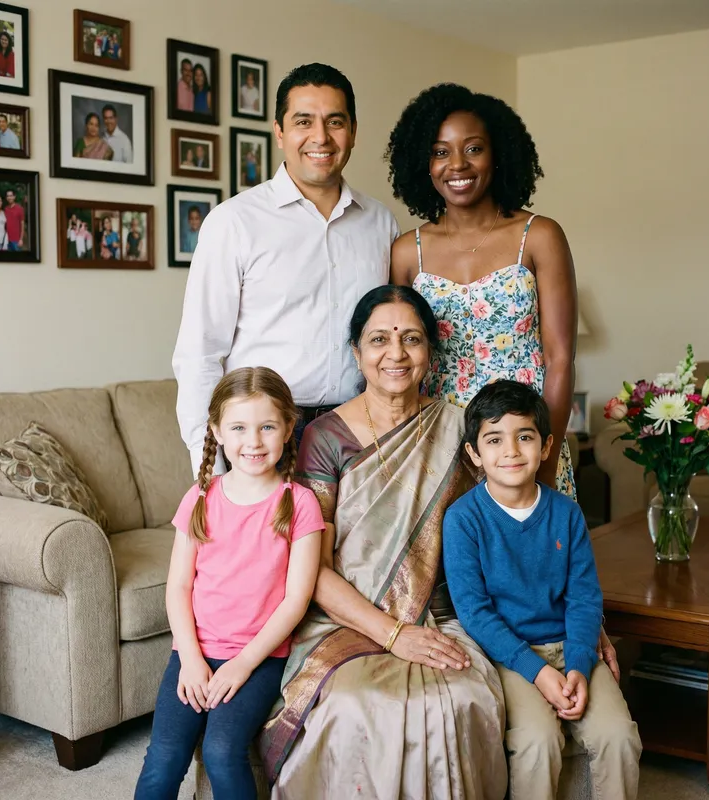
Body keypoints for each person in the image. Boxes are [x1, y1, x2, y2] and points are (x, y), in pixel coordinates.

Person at [259, 285, 508, 798]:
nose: (396, 353)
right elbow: (310, 570)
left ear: (430, 352)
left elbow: (502, 530)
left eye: (411, 338)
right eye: (379, 339)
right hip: (343, 618)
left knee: (463, 697)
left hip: (440, 614)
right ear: (357, 352)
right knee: (357, 704)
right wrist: (394, 634)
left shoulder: (459, 428)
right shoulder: (324, 437)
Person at [173, 62, 400, 476]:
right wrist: (211, 469)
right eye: (303, 121)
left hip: (360, 429)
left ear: (353, 131)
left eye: (335, 122)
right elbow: (199, 353)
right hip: (265, 433)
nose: (321, 137)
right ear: (279, 131)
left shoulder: (381, 223)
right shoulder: (234, 222)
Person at [443, 380, 641, 800]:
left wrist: (580, 666)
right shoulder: (462, 519)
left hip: (572, 647)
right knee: (537, 742)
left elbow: (584, 598)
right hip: (511, 656)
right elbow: (474, 612)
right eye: (494, 440)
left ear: (546, 446)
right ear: (474, 454)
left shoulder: (567, 514)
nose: (511, 451)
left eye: (524, 437)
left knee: (619, 735)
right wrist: (539, 673)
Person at [135, 366, 323, 799]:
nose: (253, 441)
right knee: (164, 757)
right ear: (217, 431)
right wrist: (190, 658)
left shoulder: (300, 504)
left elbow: (296, 599)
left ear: (288, 428)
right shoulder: (200, 497)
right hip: (193, 652)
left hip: (259, 658)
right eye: (239, 427)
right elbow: (178, 587)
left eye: (267, 427)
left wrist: (244, 663)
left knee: (221, 752)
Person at [388, 83, 578, 498]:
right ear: (422, 162)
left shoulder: (539, 236)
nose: (457, 164)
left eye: (473, 148)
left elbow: (560, 359)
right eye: (440, 152)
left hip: (522, 443)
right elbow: (398, 361)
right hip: (440, 446)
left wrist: (545, 462)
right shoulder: (406, 252)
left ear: (499, 154)